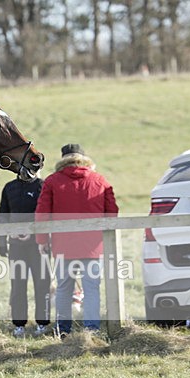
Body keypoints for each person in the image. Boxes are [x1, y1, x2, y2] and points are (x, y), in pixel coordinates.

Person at [35, 144, 119, 338]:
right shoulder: (100, 180)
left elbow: (42, 214)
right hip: (93, 247)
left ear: (63, 159)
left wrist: (42, 241)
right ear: (84, 158)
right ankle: (91, 330)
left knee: (64, 289)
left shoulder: (52, 181)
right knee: (92, 290)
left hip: (63, 247)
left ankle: (63, 331)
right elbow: (112, 211)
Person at [0, 176, 51, 337]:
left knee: (42, 285)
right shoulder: (9, 187)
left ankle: (43, 323)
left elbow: (46, 214)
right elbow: (3, 215)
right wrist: (2, 241)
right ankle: (19, 324)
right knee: (18, 286)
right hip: (16, 247)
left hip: (39, 247)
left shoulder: (43, 186)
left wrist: (34, 233)